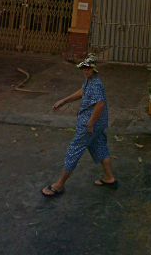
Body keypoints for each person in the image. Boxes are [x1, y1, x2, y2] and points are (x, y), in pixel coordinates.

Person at [41, 54, 117, 197]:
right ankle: (110, 177)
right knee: (99, 145)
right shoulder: (90, 80)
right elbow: (82, 91)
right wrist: (64, 101)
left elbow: (100, 104)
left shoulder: (96, 84)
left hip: (90, 124)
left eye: (88, 68)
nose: (85, 71)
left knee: (74, 150)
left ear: (94, 69)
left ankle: (59, 185)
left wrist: (91, 123)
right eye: (84, 68)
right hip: (97, 124)